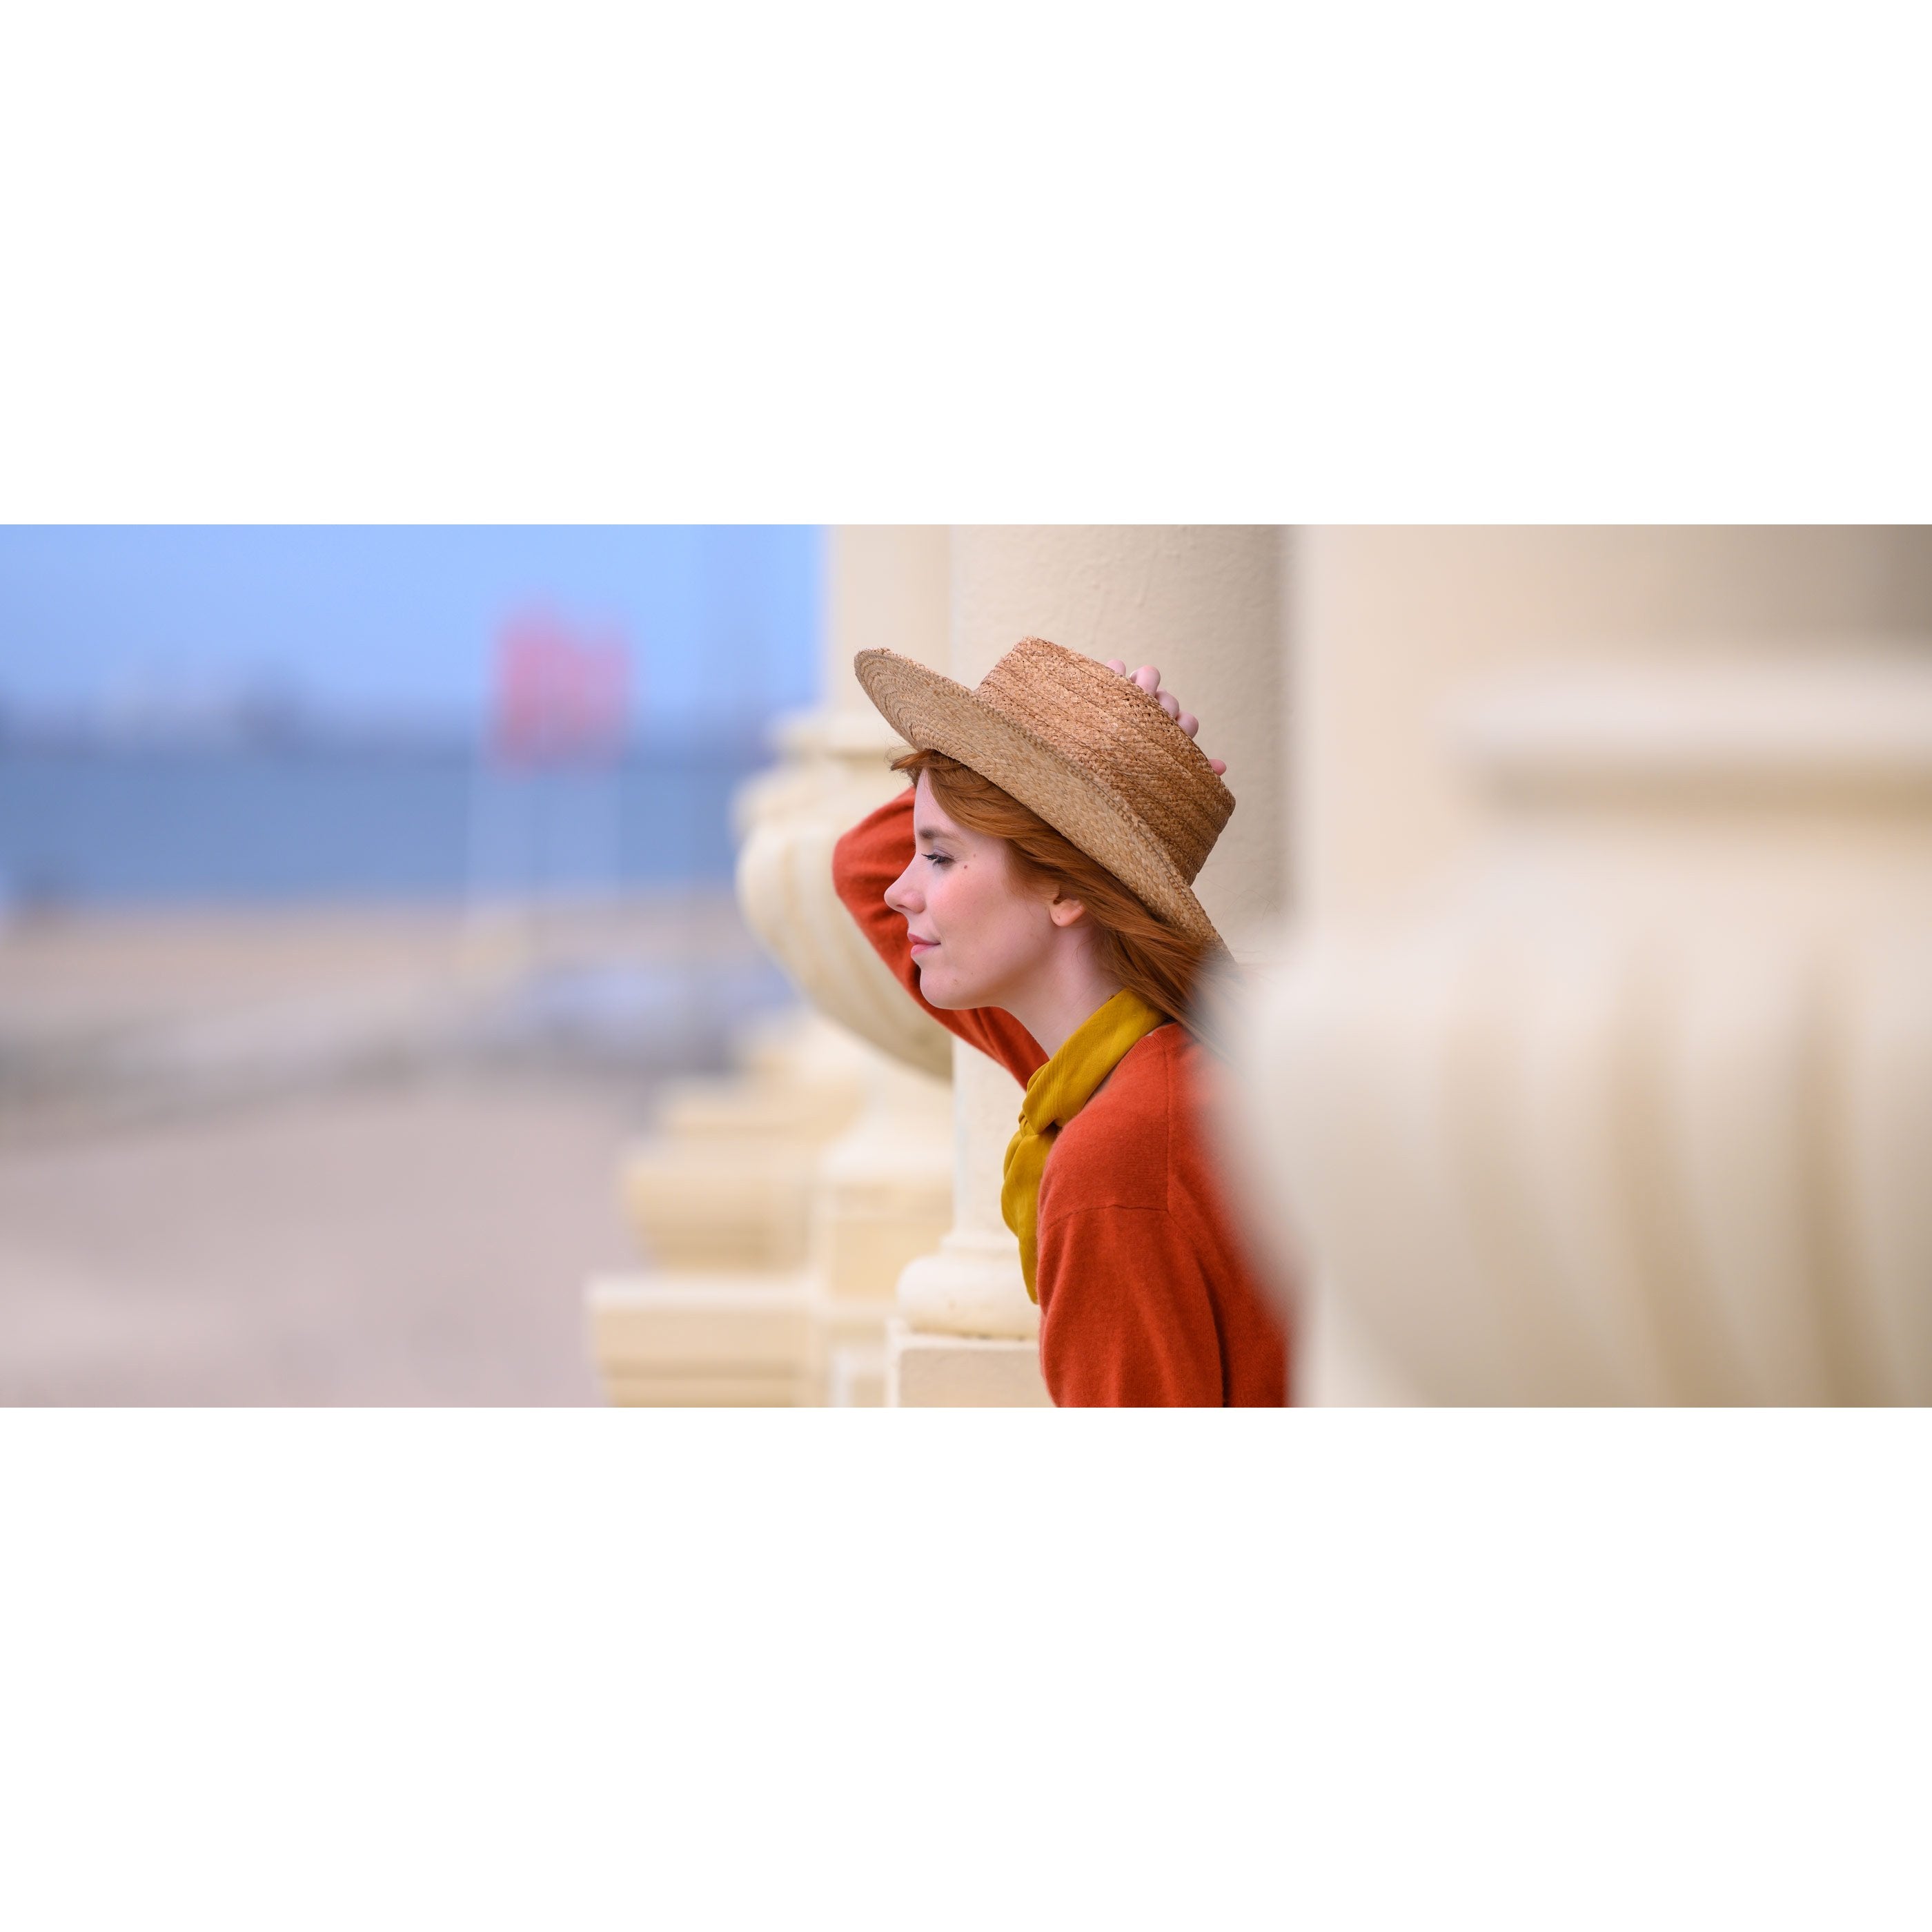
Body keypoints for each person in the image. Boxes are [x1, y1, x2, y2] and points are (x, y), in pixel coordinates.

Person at [832, 635, 1292, 1406]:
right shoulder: (1151, 1058)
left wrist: (1049, 768)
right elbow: (866, 866)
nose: (899, 890)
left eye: (939, 857)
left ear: (1065, 890)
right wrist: (1070, 754)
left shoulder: (1119, 1154)